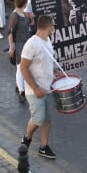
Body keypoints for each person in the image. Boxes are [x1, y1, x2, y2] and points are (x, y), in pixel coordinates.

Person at [20, 15, 61, 160]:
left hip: (48, 87)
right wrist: (36, 88)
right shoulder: (31, 44)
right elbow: (23, 68)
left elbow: (46, 62)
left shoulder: (48, 40)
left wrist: (55, 72)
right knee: (39, 118)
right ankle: (27, 137)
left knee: (47, 119)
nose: (54, 28)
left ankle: (44, 147)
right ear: (49, 27)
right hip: (34, 90)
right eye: (53, 26)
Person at [7, 0, 33, 103]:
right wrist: (11, 46)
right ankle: (21, 91)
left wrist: (31, 18)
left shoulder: (24, 14)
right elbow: (9, 32)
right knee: (20, 67)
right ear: (25, 3)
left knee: (26, 66)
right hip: (19, 44)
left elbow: (30, 24)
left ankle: (19, 85)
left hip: (27, 43)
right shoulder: (14, 16)